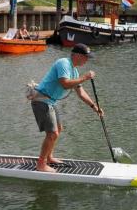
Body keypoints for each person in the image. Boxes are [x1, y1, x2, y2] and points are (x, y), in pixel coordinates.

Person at [30, 43, 104, 173]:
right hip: (41, 100)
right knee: (52, 133)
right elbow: (64, 84)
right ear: (77, 56)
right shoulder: (63, 63)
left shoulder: (74, 71)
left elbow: (81, 93)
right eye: (86, 57)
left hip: (50, 102)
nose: (87, 60)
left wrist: (94, 106)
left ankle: (49, 157)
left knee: (58, 129)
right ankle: (41, 164)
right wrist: (85, 77)